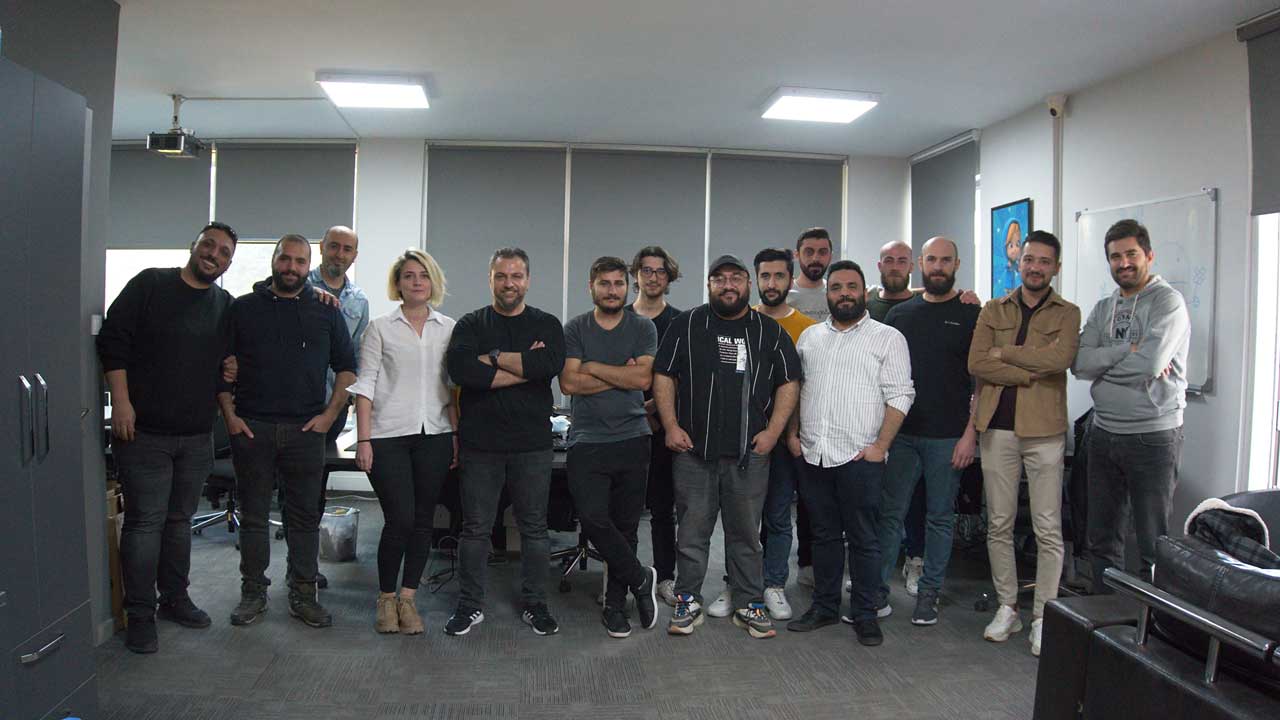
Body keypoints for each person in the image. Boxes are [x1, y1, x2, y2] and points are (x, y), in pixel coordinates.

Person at [97, 222, 239, 653]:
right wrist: (121, 403)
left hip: (196, 435)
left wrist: (232, 366)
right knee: (145, 524)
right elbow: (113, 343)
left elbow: (228, 359)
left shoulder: (224, 305)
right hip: (144, 433)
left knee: (180, 522)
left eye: (224, 252)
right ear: (194, 246)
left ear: (229, 263)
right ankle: (139, 615)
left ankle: (174, 599)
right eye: (209, 245)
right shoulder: (151, 285)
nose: (214, 254)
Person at [653, 254, 800, 639]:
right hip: (693, 452)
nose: (728, 285)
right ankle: (688, 599)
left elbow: (789, 381)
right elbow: (663, 375)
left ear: (748, 285)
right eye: (720, 279)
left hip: (749, 454)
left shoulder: (769, 331)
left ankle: (749, 602)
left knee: (746, 535)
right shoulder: (686, 325)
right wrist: (670, 425)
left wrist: (774, 432)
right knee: (691, 533)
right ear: (709, 285)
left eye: (736, 278)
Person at [219, 234, 357, 630]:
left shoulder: (327, 310)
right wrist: (229, 415)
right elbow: (221, 365)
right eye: (285, 259)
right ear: (274, 259)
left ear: (307, 266)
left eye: (299, 261)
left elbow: (348, 369)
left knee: (303, 518)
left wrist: (330, 415)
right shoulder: (243, 309)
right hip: (252, 428)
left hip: (306, 430)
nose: (291, 267)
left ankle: (303, 592)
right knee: (254, 516)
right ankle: (253, 592)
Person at [784, 260, 914, 647]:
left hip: (860, 457)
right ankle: (824, 606)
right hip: (814, 454)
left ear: (864, 291)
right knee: (822, 536)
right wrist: (792, 435)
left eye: (851, 287)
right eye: (837, 287)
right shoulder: (810, 338)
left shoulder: (887, 338)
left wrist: (880, 447)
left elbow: (901, 395)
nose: (844, 294)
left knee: (864, 539)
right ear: (828, 294)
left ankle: (865, 613)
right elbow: (797, 389)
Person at [968, 230, 1080, 657]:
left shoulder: (1068, 313)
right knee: (999, 522)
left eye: (1044, 261)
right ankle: (1008, 607)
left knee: (1047, 528)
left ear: (1056, 267)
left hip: (1045, 431)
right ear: (1020, 262)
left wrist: (1006, 353)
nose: (1035, 267)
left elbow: (1060, 359)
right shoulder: (993, 309)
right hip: (997, 428)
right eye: (1029, 259)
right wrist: (1028, 371)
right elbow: (977, 362)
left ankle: (1043, 617)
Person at [444, 247, 566, 636]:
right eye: (501, 276)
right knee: (475, 529)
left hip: (532, 445)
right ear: (491, 279)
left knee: (534, 528)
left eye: (516, 276)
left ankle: (535, 604)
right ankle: (470, 605)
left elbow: (550, 365)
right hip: (480, 445)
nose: (508, 283)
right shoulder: (470, 324)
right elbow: (462, 371)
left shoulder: (546, 323)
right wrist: (524, 365)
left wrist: (492, 358)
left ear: (527, 280)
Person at [1072, 218, 1189, 592]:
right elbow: (1080, 364)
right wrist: (1128, 350)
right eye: (1115, 256)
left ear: (1149, 256)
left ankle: (1152, 621)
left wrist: (1106, 364)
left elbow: (1150, 365)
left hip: (1152, 437)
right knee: (1102, 540)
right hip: (1103, 433)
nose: (1123, 263)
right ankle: (1106, 616)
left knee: (1152, 543)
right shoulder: (1103, 308)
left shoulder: (1167, 302)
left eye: (1131, 254)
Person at [347, 249, 457, 635]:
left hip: (435, 435)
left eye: (423, 275)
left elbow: (451, 388)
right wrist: (363, 439)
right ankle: (385, 598)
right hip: (387, 435)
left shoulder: (448, 328)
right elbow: (365, 386)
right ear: (398, 283)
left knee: (424, 520)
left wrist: (455, 435)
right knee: (400, 519)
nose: (416, 282)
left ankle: (408, 599)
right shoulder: (379, 328)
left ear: (433, 282)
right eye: (408, 275)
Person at [878, 236, 980, 627]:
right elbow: (883, 375)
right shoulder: (900, 315)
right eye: (932, 259)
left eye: (946, 260)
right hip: (901, 434)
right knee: (890, 515)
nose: (938, 266)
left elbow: (980, 384)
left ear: (957, 264)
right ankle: (876, 591)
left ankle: (929, 593)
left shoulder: (972, 313)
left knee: (940, 518)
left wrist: (970, 435)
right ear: (920, 263)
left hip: (949, 437)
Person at [560, 256, 661, 638]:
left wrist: (591, 366)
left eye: (619, 283)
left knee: (626, 527)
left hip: (633, 437)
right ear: (591, 287)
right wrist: (622, 373)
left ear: (627, 287)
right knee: (592, 520)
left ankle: (615, 606)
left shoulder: (643, 327)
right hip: (587, 439)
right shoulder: (575, 328)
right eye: (604, 283)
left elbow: (643, 379)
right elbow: (568, 384)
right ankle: (640, 577)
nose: (612, 290)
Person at [752, 247, 817, 621]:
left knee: (778, 516)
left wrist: (790, 432)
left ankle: (774, 584)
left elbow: (805, 387)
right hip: (744, 438)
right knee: (744, 519)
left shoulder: (807, 328)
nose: (772, 283)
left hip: (785, 438)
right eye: (765, 276)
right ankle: (740, 582)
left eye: (779, 276)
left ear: (790, 280)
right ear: (756, 279)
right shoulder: (743, 320)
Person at [625, 246, 683, 606]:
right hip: (623, 427)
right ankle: (624, 576)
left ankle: (665, 577)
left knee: (663, 509)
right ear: (636, 275)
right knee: (625, 511)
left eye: (660, 271)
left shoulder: (680, 322)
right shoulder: (619, 318)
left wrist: (656, 409)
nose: (653, 277)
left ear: (668, 277)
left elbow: (683, 376)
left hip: (663, 427)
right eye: (646, 270)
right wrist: (637, 408)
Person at [786, 227, 834, 324]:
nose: (815, 258)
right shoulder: (784, 295)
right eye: (809, 252)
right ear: (797, 255)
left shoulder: (836, 295)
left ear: (830, 256)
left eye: (822, 252)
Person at [993, 219, 1023, 298]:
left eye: (1017, 244)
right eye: (1011, 246)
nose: (1015, 249)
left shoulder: (1017, 264)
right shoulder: (1007, 264)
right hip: (1009, 286)